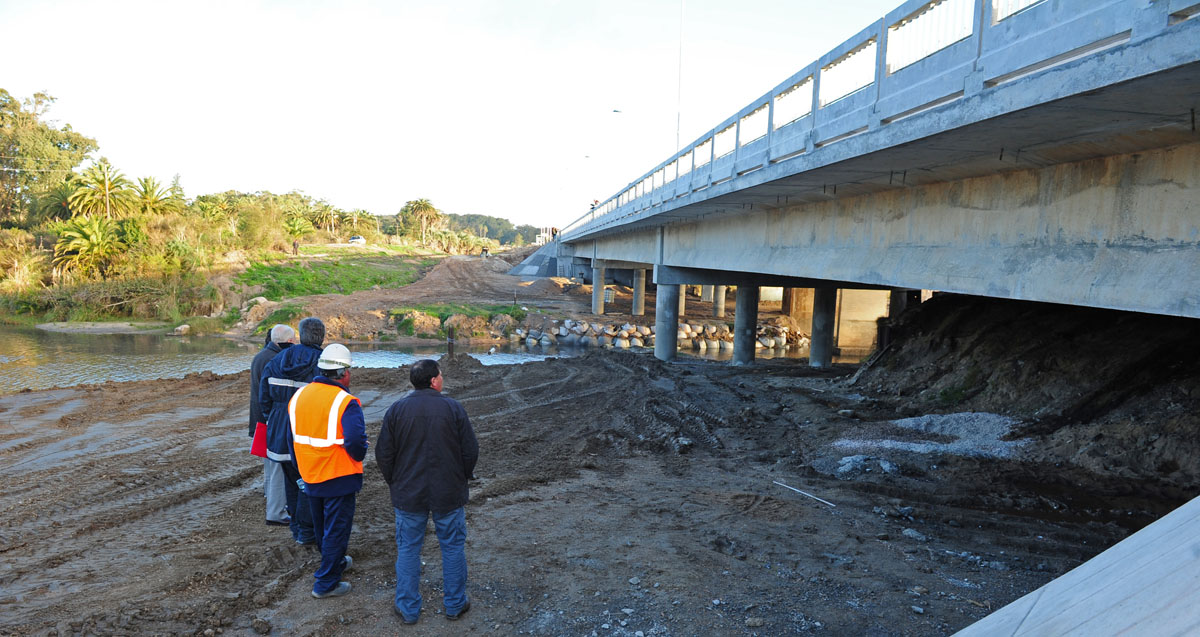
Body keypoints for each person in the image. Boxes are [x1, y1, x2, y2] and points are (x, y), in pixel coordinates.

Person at [376, 359, 478, 624]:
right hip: (448, 491)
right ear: (434, 381)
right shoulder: (453, 408)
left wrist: (395, 481)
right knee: (452, 547)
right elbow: (470, 450)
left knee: (408, 548)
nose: (442, 378)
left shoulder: (397, 410)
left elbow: (384, 454)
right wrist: (462, 477)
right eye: (441, 375)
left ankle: (408, 609)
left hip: (409, 492)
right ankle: (455, 604)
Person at [288, 343, 367, 599]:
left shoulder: (299, 396)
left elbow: (292, 439)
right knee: (337, 529)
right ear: (343, 372)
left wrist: (302, 466)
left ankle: (334, 562)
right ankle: (326, 583)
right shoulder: (346, 401)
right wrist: (359, 455)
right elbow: (356, 442)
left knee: (323, 526)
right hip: (339, 476)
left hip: (311, 474)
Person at [259, 317, 326, 546]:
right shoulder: (322, 361)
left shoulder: (279, 358)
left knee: (292, 482)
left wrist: (275, 420)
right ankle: (307, 533)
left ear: (300, 334)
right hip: (307, 431)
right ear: (322, 336)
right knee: (309, 483)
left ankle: (298, 529)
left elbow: (264, 396)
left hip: (279, 430)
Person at [250, 323, 295, 526]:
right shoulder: (274, 359)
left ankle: (271, 498)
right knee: (276, 463)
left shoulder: (261, 355)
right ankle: (276, 509)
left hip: (262, 417)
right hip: (269, 418)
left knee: (270, 462)